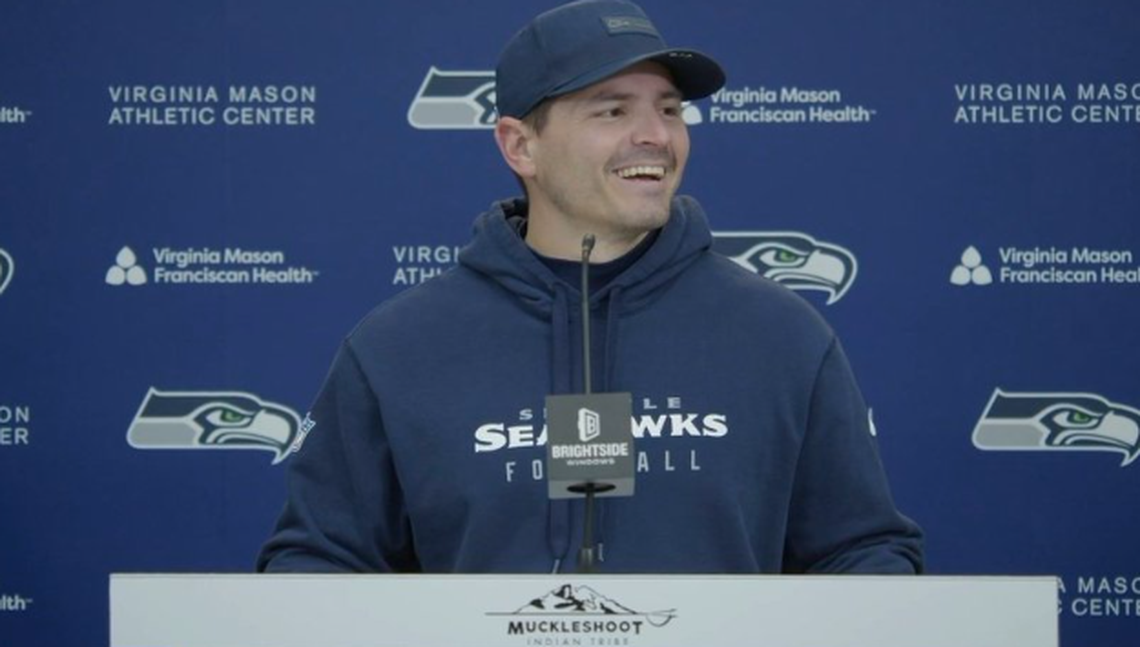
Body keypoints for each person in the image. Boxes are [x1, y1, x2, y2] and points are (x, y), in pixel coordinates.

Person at [257, 0, 923, 574]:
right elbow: (319, 565)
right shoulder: (397, 347)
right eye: (611, 110)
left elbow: (861, 552)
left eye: (669, 109)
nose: (655, 136)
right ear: (521, 147)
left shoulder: (782, 334)